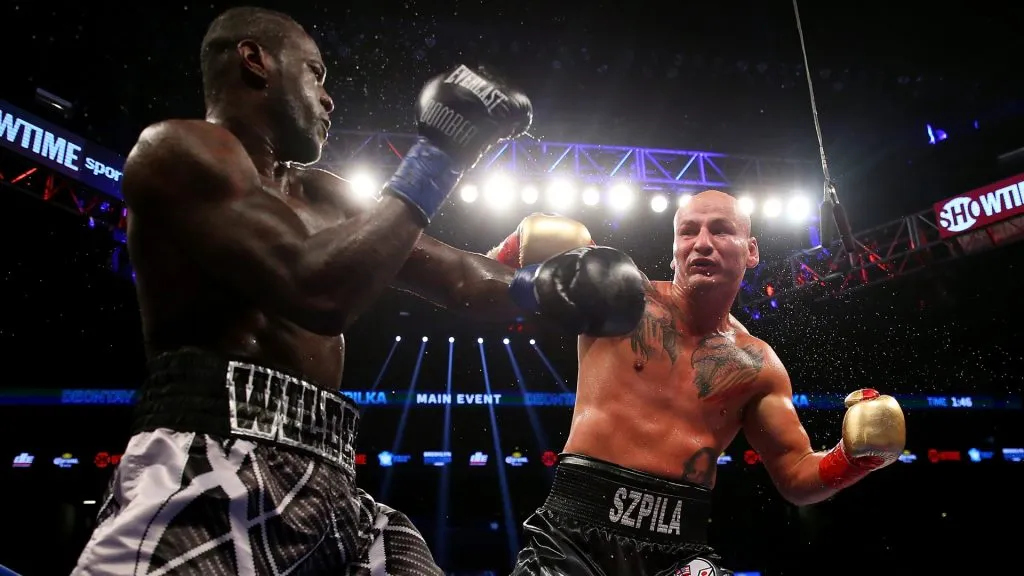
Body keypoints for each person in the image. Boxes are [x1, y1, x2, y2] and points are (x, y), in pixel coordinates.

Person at [70, 7, 646, 576]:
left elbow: (460, 276)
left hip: (332, 483)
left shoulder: (324, 195)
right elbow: (315, 290)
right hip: (205, 462)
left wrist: (549, 289)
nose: (329, 98)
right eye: (315, 73)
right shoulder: (175, 150)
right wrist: (441, 154)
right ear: (255, 61)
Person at [504, 190, 907, 576]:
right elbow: (491, 279)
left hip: (678, 549)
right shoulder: (618, 296)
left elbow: (795, 474)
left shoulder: (757, 364)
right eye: (688, 232)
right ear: (675, 249)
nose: (701, 243)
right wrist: (512, 253)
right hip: (575, 535)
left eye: (720, 229)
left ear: (751, 251)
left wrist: (854, 459)